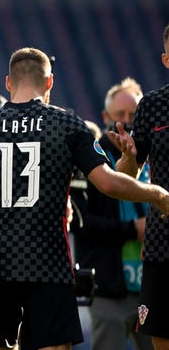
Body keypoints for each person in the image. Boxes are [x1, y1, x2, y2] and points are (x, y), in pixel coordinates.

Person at [0, 47, 169, 350]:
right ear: (50, 82)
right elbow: (108, 182)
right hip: (46, 262)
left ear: (8, 83)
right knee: (54, 346)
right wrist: (157, 193)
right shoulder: (66, 124)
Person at [73, 78, 153, 350]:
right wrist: (134, 228)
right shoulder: (91, 159)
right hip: (108, 285)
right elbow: (82, 223)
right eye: (121, 115)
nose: (127, 121)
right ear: (106, 116)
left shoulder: (157, 156)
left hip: (151, 287)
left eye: (134, 115)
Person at [109, 24, 169, 350]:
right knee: (160, 338)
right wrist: (128, 156)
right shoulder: (152, 105)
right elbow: (128, 176)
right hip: (162, 243)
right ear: (165, 59)